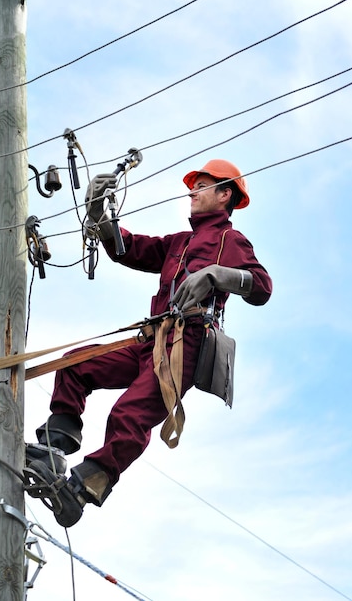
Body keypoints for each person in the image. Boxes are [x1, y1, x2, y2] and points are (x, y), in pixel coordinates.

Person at [25, 158, 272, 527]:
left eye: (202, 186)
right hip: (152, 339)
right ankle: (53, 449)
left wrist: (217, 274)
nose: (193, 191)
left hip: (185, 344)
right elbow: (129, 249)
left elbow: (262, 287)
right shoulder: (180, 242)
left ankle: (84, 488)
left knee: (129, 415)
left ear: (225, 195)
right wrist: (99, 216)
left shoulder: (229, 240)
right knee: (76, 364)